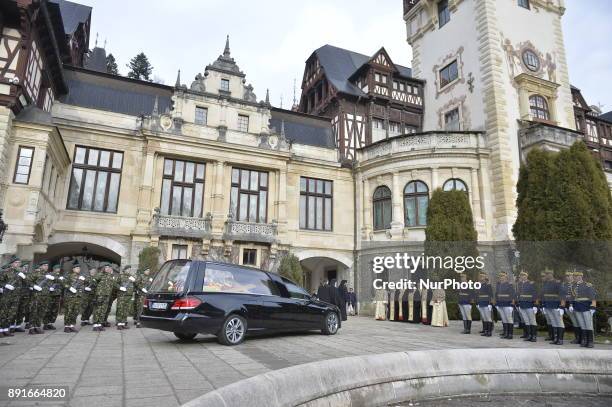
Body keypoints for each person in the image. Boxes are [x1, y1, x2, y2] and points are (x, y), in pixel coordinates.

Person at [573, 271, 596, 348]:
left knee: (588, 324)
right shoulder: (573, 286)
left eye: (576, 276)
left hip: (586, 307)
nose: (575, 277)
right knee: (582, 324)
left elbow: (592, 296)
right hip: (577, 307)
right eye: (574, 276)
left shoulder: (588, 285)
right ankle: (584, 340)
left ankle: (590, 341)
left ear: (580, 276)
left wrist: (593, 306)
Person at [0, 256, 23, 336]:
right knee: (3, 313)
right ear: (12, 263)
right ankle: (0, 330)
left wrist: (24, 277)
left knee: (11, 314)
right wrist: (5, 285)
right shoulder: (5, 271)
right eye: (16, 263)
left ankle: (6, 329)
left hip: (16, 296)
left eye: (19, 263)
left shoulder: (20, 273)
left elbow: (26, 282)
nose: (18, 264)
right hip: (6, 296)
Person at [541, 269, 564, 345]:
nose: (547, 275)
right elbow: (544, 295)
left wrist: (561, 306)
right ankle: (555, 338)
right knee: (553, 322)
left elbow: (562, 294)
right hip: (548, 305)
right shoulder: (546, 283)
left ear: (552, 274)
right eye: (546, 274)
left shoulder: (557, 283)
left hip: (555, 305)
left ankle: (560, 339)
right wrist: (543, 305)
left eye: (549, 274)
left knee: (559, 322)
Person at [92, 263, 117, 332]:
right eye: (106, 267)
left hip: (107, 295)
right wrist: (97, 290)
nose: (107, 269)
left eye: (108, 267)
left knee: (103, 310)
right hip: (100, 295)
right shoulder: (100, 275)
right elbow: (94, 282)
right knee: (98, 309)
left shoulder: (110, 276)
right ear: (103, 268)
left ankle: (100, 324)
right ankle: (95, 325)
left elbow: (114, 284)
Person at [63, 260, 85, 333]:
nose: (78, 269)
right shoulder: (69, 275)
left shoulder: (81, 277)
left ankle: (72, 325)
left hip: (78, 297)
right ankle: (66, 326)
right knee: (69, 311)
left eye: (79, 268)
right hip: (70, 297)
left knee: (75, 312)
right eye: (77, 268)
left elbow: (83, 286)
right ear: (73, 269)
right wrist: (70, 288)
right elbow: (63, 283)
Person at [516, 270, 538, 342]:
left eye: (524, 275)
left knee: (532, 321)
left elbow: (535, 294)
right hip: (522, 305)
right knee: (526, 321)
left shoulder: (531, 283)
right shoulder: (519, 284)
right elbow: (519, 295)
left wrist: (535, 305)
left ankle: (534, 336)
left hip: (529, 305)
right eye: (521, 275)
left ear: (527, 276)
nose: (523, 277)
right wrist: (519, 304)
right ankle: (529, 335)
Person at [561, 270, 581, 344]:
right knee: (574, 322)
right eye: (567, 276)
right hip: (568, 306)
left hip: (576, 306)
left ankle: (582, 338)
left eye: (569, 276)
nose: (568, 277)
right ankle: (577, 338)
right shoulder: (564, 285)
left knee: (579, 322)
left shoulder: (577, 284)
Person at [495, 271, 516, 339]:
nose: (501, 277)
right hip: (500, 304)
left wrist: (512, 304)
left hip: (507, 304)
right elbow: (496, 294)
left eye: (503, 276)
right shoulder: (498, 284)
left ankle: (510, 334)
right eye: (500, 276)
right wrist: (497, 303)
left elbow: (513, 294)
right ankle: (505, 332)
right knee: (504, 319)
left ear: (506, 277)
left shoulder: (509, 284)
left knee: (509, 319)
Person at [43, 264, 63, 330]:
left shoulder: (60, 276)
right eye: (57, 268)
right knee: (48, 309)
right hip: (50, 295)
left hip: (57, 294)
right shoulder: (50, 275)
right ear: (54, 269)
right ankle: (45, 323)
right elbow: (45, 283)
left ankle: (50, 323)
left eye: (59, 268)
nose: (58, 269)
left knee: (54, 310)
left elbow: (62, 284)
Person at [116, 265, 136, 330]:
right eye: (128, 269)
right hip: (122, 295)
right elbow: (115, 283)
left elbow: (136, 284)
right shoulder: (120, 276)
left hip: (129, 295)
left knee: (126, 310)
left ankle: (123, 323)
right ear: (124, 270)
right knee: (120, 309)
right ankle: (119, 323)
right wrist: (120, 287)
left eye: (130, 269)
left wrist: (134, 281)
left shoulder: (131, 277)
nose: (129, 270)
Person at [476, 272, 493, 337]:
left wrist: (490, 303)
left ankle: (489, 332)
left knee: (488, 317)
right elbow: (477, 294)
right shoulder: (478, 284)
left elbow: (490, 294)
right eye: (480, 276)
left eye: (483, 276)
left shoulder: (487, 284)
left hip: (486, 302)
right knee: (484, 317)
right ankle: (486, 331)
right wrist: (477, 302)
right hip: (481, 302)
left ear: (485, 277)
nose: (481, 278)